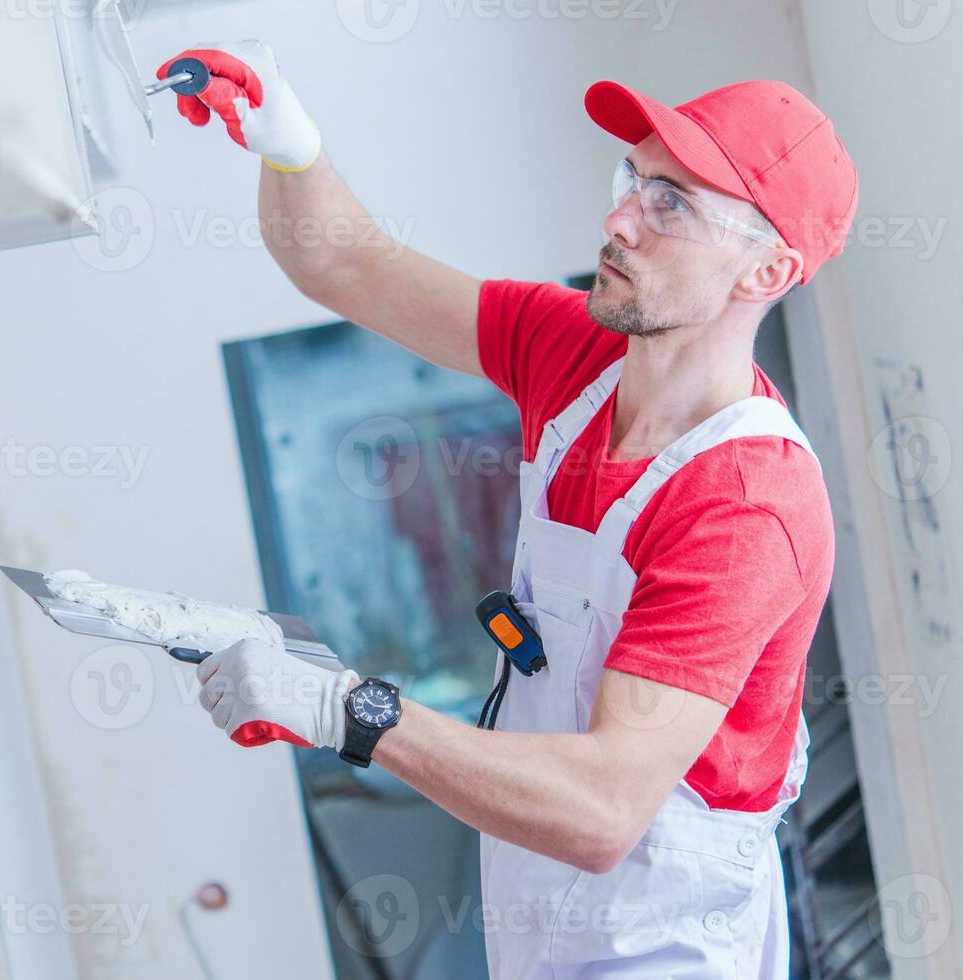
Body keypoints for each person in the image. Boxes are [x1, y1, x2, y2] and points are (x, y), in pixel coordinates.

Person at [163, 41, 858, 978]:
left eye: (671, 204)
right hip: (540, 914)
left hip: (661, 943)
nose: (618, 218)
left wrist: (345, 708)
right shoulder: (574, 354)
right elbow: (352, 271)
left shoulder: (743, 507)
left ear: (766, 273)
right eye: (633, 178)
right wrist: (289, 145)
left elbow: (605, 808)